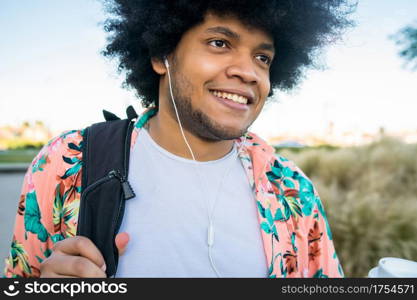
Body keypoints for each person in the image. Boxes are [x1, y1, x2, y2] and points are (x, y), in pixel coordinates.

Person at [4, 0, 353, 278]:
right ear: (162, 55)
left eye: (262, 57)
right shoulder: (68, 160)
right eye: (220, 43)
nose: (249, 72)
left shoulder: (293, 190)